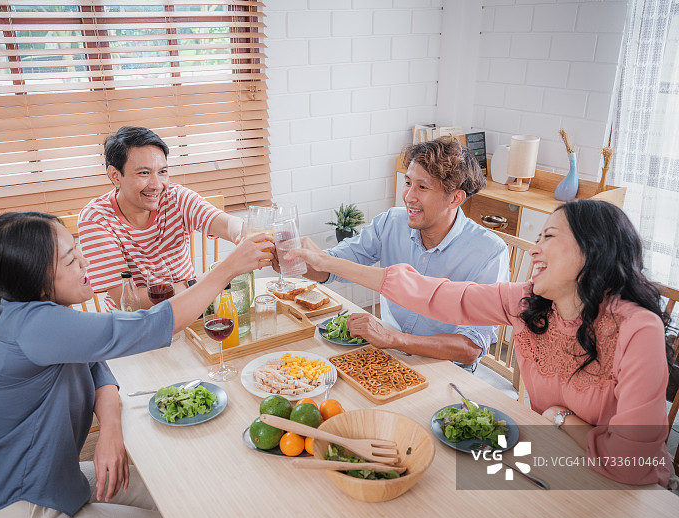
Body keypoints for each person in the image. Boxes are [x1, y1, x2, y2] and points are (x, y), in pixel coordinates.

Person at [0, 211, 273, 518]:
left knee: (166, 494)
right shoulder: (37, 327)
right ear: (36, 280)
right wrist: (224, 270)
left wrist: (111, 430)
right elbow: (152, 324)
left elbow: (95, 363)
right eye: (70, 259)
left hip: (28, 489)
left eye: (77, 249)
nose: (84, 261)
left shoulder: (23, 312)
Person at [288, 199, 670, 486]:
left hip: (625, 493)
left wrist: (558, 417)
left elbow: (630, 461)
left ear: (594, 249)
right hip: (554, 462)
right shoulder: (526, 303)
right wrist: (328, 262)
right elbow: (430, 293)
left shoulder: (637, 329)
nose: (534, 250)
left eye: (548, 237)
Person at [301, 138, 509, 370]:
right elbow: (332, 266)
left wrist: (391, 339)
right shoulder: (391, 222)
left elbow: (470, 348)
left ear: (455, 198)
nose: (409, 196)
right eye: (407, 182)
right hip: (388, 354)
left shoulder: (489, 252)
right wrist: (295, 261)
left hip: (444, 367)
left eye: (422, 187)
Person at [79, 126, 244, 311]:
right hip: (137, 324)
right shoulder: (95, 219)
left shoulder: (176, 197)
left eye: (162, 172)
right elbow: (129, 301)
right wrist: (195, 284)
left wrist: (246, 235)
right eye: (144, 173)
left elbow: (228, 224)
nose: (157, 185)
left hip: (188, 310)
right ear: (115, 176)